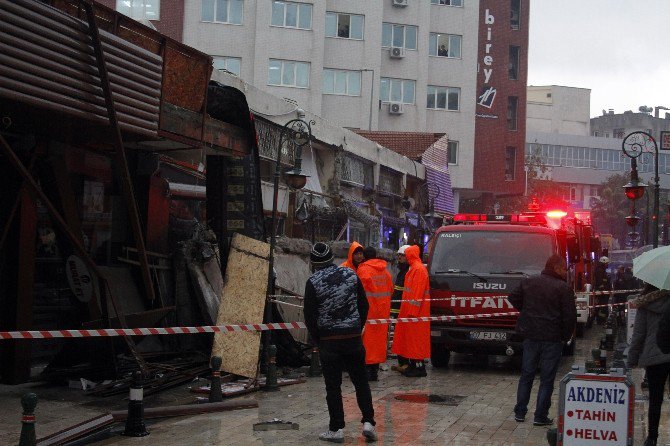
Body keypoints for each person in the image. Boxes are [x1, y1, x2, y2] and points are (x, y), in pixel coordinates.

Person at [303, 242, 377, 443]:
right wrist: (356, 327)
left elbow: (309, 316)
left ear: (314, 263)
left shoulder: (313, 282)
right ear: (331, 259)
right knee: (361, 381)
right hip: (353, 339)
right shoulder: (351, 275)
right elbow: (364, 304)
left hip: (329, 341)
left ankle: (336, 429)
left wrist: (319, 339)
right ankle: (369, 422)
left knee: (333, 387)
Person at [508, 254, 576, 426]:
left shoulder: (529, 282)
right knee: (547, 378)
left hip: (531, 335)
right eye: (563, 268)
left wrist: (527, 311)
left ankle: (520, 412)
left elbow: (512, 297)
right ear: (555, 268)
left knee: (527, 374)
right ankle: (540, 415)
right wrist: (565, 336)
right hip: (552, 338)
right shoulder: (563, 288)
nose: (565, 272)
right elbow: (570, 316)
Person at [627, 285, 670, 446]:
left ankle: (652, 438)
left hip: (654, 356)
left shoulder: (645, 304)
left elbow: (638, 334)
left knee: (655, 399)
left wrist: (632, 359)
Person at [391, 245, 430, 377]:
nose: (404, 257)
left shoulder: (418, 270)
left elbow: (417, 292)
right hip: (410, 311)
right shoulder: (414, 269)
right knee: (411, 341)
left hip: (415, 313)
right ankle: (413, 366)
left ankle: (418, 368)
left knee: (415, 342)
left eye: (406, 255)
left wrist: (412, 311)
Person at [357, 246, 393, 381]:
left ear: (365, 257)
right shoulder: (385, 271)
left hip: (368, 313)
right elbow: (390, 289)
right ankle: (374, 370)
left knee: (366, 342)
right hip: (382, 313)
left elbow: (358, 291)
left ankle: (366, 370)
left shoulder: (363, 270)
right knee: (378, 343)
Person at [391, 245, 411, 372]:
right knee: (399, 337)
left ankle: (406, 362)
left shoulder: (409, 272)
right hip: (397, 309)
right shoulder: (402, 272)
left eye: (402, 255)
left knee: (404, 337)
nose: (399, 258)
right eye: (399, 255)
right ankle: (401, 362)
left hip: (404, 309)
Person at [594, 256, 612, 323]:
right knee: (602, 307)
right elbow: (600, 282)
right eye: (607, 263)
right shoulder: (599, 271)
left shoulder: (601, 270)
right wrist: (604, 289)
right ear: (603, 263)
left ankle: (602, 320)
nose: (607, 264)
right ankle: (601, 320)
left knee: (603, 307)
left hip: (603, 293)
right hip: (602, 293)